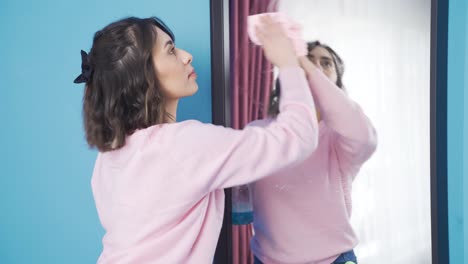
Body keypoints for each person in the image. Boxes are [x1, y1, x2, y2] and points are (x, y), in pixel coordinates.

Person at [73, 16, 319, 263]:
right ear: (142, 75)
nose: (186, 56)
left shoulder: (108, 158)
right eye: (170, 51)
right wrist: (288, 63)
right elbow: (297, 137)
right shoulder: (184, 144)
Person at [250, 41, 378, 264]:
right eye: (308, 59)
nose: (316, 67)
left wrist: (304, 66)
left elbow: (365, 137)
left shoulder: (342, 137)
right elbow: (239, 199)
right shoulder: (258, 132)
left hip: (335, 259)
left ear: (337, 83)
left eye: (325, 63)